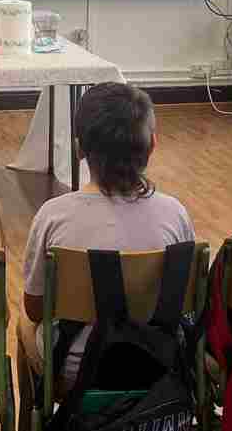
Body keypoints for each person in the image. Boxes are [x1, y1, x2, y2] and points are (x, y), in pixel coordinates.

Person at [20, 82, 196, 391]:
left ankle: (39, 411)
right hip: (159, 364)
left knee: (23, 325)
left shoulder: (53, 216)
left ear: (79, 148)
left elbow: (36, 308)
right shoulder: (175, 214)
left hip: (77, 370)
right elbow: (187, 302)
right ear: (152, 145)